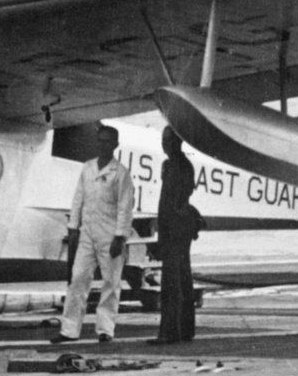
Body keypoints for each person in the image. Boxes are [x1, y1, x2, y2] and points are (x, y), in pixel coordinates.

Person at [53, 124, 135, 343]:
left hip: (110, 236)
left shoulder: (121, 174)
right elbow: (78, 199)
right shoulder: (87, 168)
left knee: (110, 282)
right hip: (87, 234)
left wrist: (120, 236)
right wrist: (73, 229)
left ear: (115, 145)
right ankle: (69, 330)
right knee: (78, 278)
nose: (102, 144)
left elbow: (125, 207)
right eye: (100, 140)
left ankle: (105, 330)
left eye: (107, 141)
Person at [148, 127, 202, 344]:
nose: (164, 144)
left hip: (173, 228)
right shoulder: (185, 165)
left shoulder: (171, 166)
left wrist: (162, 235)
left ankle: (170, 332)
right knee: (183, 280)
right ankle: (185, 329)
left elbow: (168, 203)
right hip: (182, 227)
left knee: (171, 282)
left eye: (167, 140)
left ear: (176, 142)